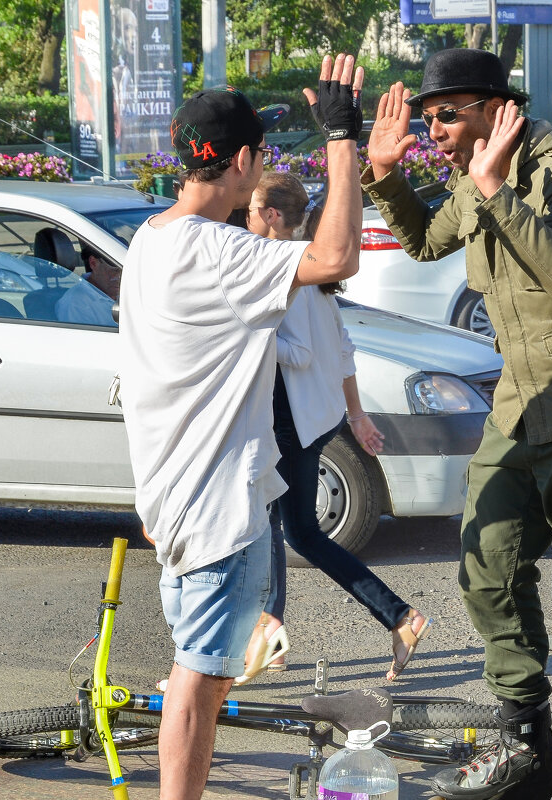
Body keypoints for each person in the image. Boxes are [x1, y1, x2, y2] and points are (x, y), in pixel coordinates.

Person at [364, 48, 552, 800]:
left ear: (498, 109)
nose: (433, 128)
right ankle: (525, 745)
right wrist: (384, 173)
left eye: (446, 113)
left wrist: (496, 186)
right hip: (520, 405)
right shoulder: (471, 176)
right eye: (427, 116)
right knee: (486, 568)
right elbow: (427, 241)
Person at [117, 54, 364, 800]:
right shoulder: (218, 251)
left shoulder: (151, 242)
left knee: (201, 675)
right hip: (219, 511)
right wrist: (344, 139)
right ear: (245, 161)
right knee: (198, 683)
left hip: (179, 501)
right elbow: (336, 257)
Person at [235, 171, 430, 685]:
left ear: (272, 217)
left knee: (268, 526)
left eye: (252, 211)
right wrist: (357, 414)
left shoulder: (286, 273)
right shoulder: (312, 269)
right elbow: (342, 348)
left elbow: (299, 351)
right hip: (313, 420)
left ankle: (269, 630)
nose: (246, 219)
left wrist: (241, 334)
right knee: (296, 529)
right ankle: (397, 617)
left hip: (292, 422)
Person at [55, 245, 120, 326]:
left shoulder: (128, 290)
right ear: (93, 263)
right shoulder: (76, 304)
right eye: (116, 270)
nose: (122, 276)